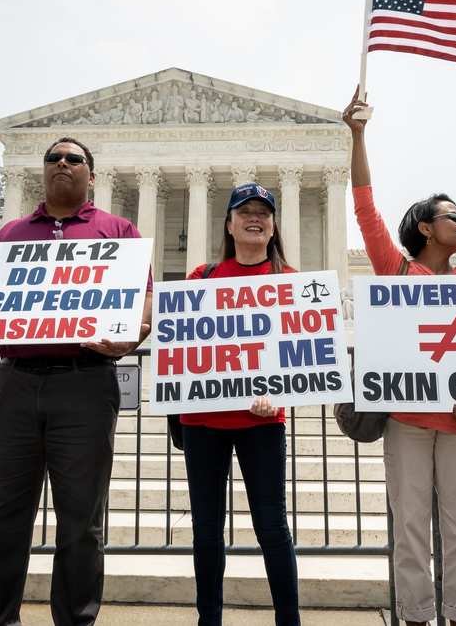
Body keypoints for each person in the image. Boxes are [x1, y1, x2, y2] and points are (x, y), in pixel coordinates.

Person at [0, 137, 151, 626]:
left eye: (74, 159)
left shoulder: (118, 230)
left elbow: (143, 300)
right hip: (14, 382)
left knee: (81, 523)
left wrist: (134, 334)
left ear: (91, 175)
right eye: (54, 157)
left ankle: (76, 621)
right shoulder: (11, 232)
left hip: (85, 384)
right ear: (43, 171)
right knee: (5, 518)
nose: (62, 164)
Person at [343, 89, 456, 626]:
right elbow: (364, 209)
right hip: (407, 417)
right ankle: (417, 616)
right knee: (409, 526)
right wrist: (357, 135)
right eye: (453, 216)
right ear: (427, 228)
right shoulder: (400, 272)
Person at [181, 182, 300, 626]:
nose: (255, 217)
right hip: (203, 419)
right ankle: (208, 618)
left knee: (272, 526)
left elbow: (301, 355)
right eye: (244, 210)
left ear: (272, 227)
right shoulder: (202, 277)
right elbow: (185, 346)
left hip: (262, 420)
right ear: (229, 224)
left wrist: (280, 393)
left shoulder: (289, 282)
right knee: (206, 529)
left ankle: (289, 619)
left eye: (263, 213)